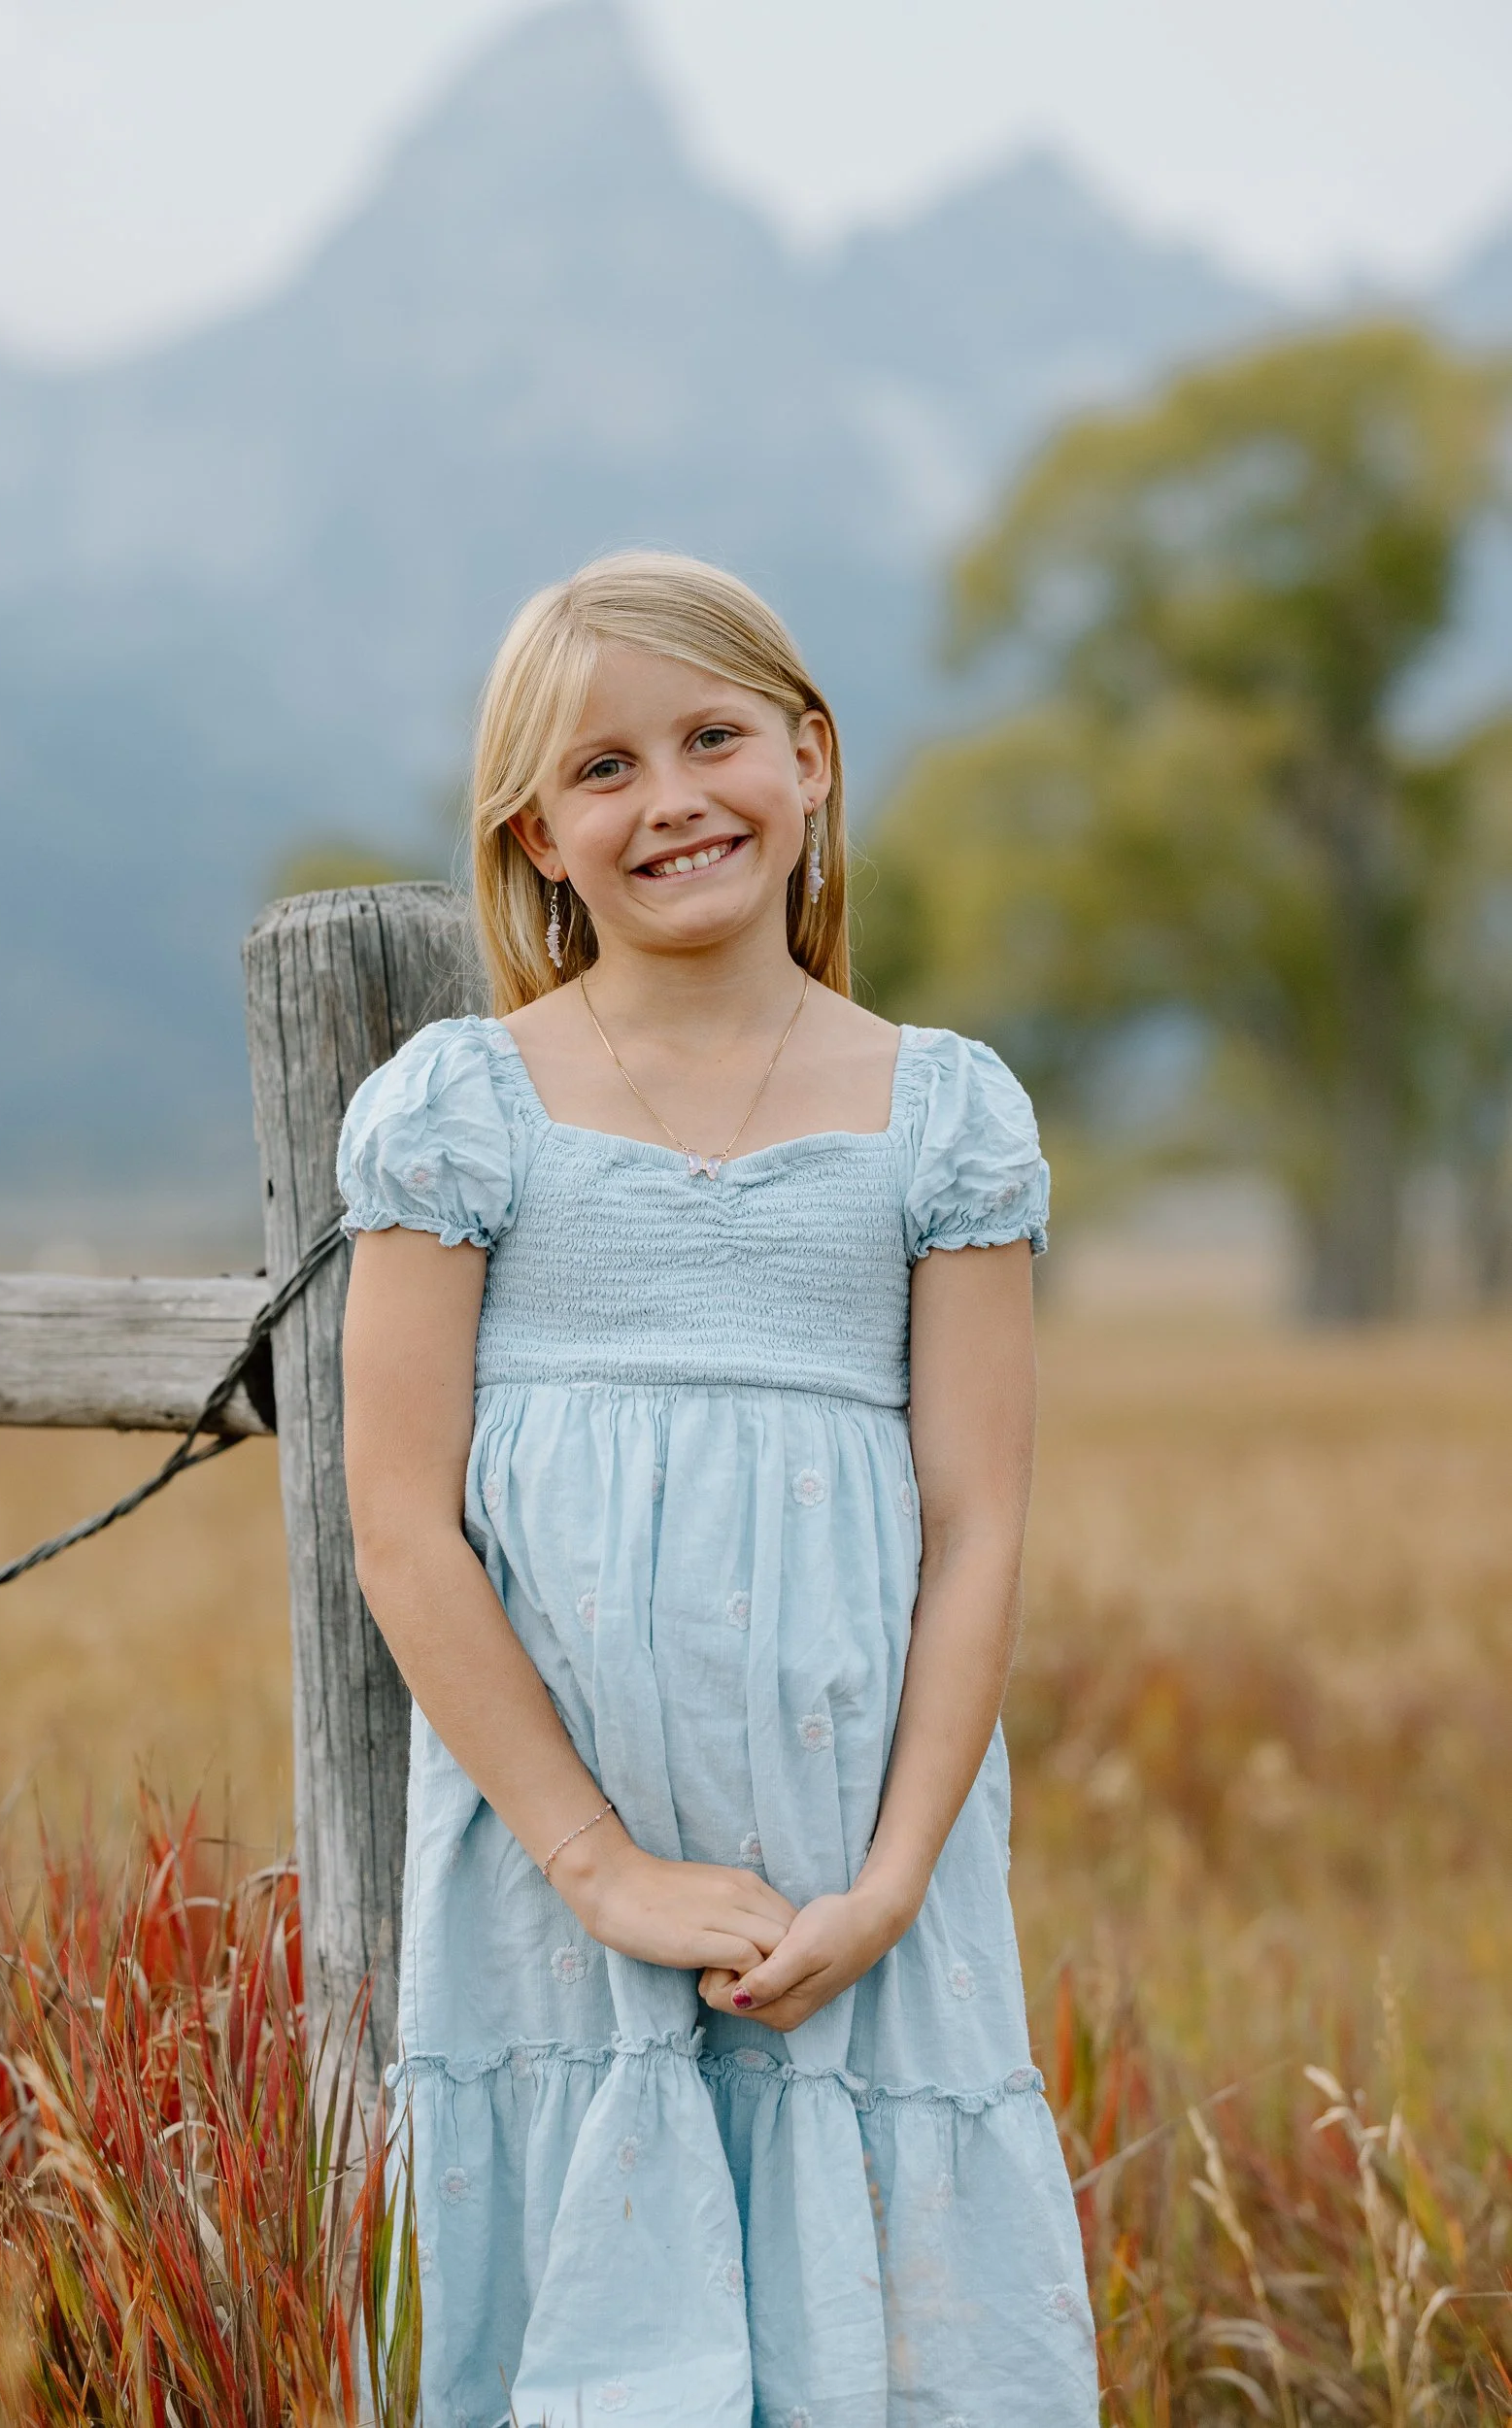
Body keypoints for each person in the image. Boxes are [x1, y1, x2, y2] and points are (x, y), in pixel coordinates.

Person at [336, 552, 1096, 2426]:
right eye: (602, 769)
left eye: (712, 736)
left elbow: (978, 1521)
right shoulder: (466, 1108)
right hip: (554, 1892)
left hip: (853, 1878)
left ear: (812, 758)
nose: (670, 796)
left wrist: (898, 1880)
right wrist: (601, 1868)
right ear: (534, 838)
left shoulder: (941, 1115)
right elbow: (399, 1523)